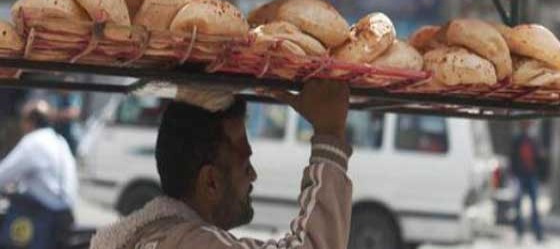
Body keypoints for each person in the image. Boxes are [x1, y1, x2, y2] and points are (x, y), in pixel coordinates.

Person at [90, 80, 351, 249]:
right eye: (245, 164)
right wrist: (329, 135)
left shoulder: (153, 238)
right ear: (211, 181)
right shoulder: (188, 243)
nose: (254, 175)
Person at [0, 99, 77, 249]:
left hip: (46, 214)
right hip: (66, 212)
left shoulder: (33, 142)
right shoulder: (59, 141)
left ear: (30, 121)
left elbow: (3, 174)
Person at [509, 120, 545, 244]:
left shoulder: (533, 140)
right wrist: (513, 175)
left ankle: (538, 233)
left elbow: (539, 158)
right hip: (520, 176)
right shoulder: (517, 140)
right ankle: (519, 231)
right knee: (518, 205)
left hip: (531, 175)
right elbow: (512, 158)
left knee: (534, 205)